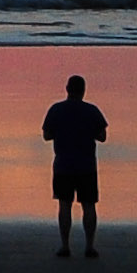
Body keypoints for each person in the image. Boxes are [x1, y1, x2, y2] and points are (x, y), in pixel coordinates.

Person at [41, 75, 109, 257]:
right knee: (89, 205)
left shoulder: (56, 109)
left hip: (63, 164)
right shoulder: (91, 110)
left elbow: (47, 135)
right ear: (83, 90)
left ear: (67, 89)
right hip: (86, 164)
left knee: (64, 205)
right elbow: (102, 136)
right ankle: (89, 245)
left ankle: (65, 245)